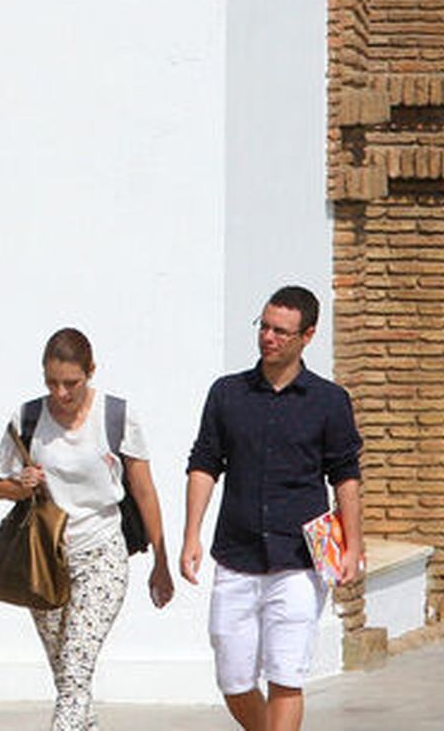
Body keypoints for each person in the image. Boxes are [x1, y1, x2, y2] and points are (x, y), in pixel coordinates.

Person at [179, 286, 364, 731]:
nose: (269, 338)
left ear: (308, 335)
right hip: (236, 555)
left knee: (285, 676)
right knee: (234, 679)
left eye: (281, 331)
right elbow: (204, 463)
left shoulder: (329, 401)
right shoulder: (227, 394)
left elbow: (345, 477)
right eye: (264, 327)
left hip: (299, 560)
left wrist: (353, 546)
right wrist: (191, 534)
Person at [0, 328, 174, 731]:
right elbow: (0, 486)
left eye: (71, 383)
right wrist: (19, 485)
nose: (61, 393)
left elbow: (144, 491)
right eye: (52, 383)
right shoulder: (27, 417)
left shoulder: (116, 416)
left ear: (91, 371)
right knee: (68, 680)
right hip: (44, 561)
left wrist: (161, 563)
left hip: (101, 557)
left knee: (75, 674)